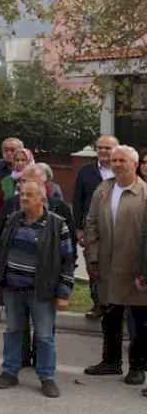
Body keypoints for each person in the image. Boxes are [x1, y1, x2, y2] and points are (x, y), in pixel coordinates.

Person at [0, 179, 74, 398]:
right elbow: (2, 253)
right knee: (13, 331)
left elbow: (67, 261)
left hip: (42, 291)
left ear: (42, 198)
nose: (23, 198)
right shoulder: (13, 220)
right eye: (21, 194)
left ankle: (47, 377)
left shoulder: (57, 224)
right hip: (12, 289)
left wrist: (64, 293)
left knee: (45, 336)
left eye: (29, 195)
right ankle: (9, 371)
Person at [82, 145, 147, 387]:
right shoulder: (104, 190)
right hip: (107, 266)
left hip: (134, 269)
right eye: (114, 160)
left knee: (139, 321)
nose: (117, 164)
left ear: (135, 163)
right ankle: (110, 361)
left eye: (122, 160)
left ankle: (138, 366)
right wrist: (93, 257)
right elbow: (91, 224)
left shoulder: (144, 193)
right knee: (110, 316)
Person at [74, 135, 117, 320]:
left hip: (117, 229)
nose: (103, 151)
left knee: (117, 268)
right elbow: (77, 200)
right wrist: (79, 229)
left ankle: (116, 306)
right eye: (100, 148)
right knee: (94, 267)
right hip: (92, 229)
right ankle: (98, 304)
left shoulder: (122, 169)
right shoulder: (86, 171)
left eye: (108, 148)